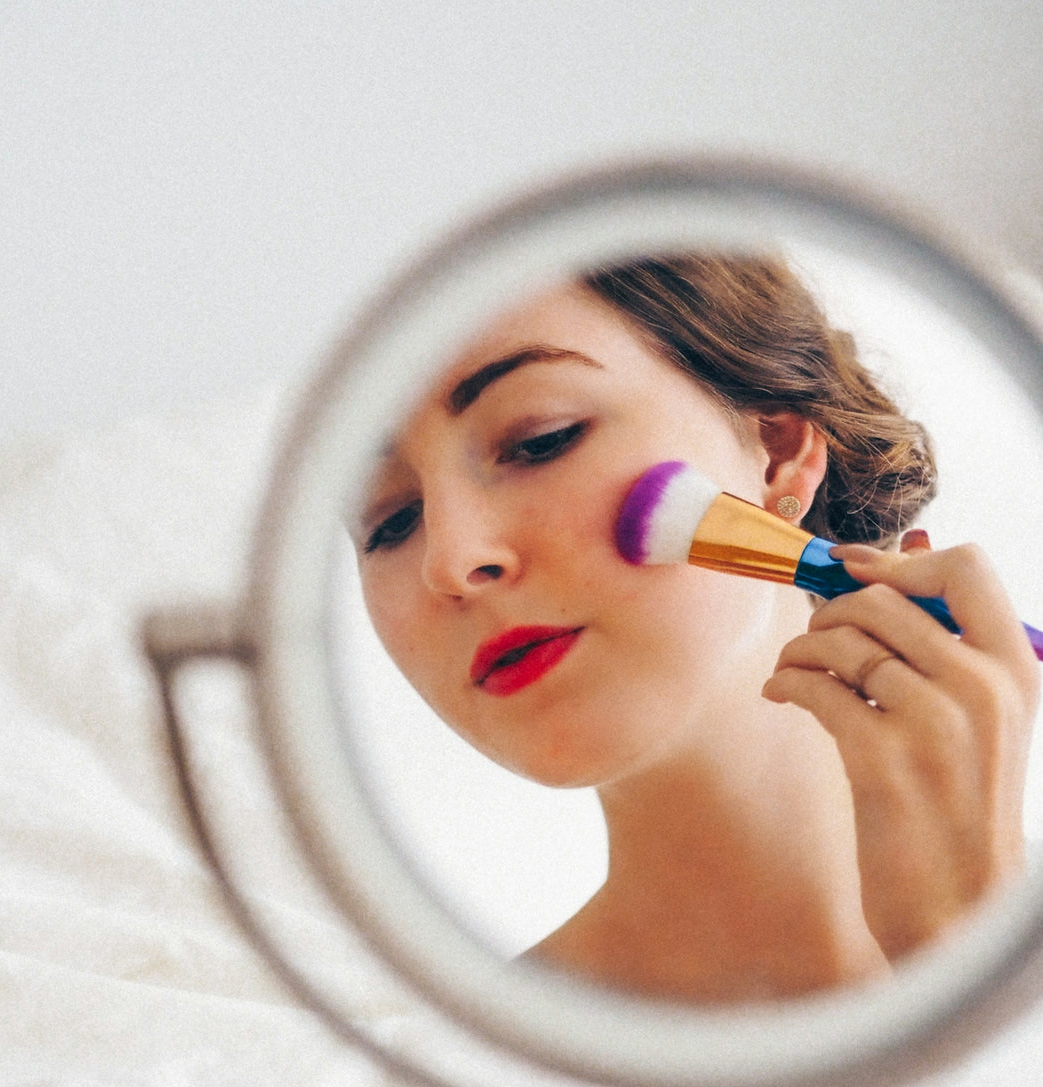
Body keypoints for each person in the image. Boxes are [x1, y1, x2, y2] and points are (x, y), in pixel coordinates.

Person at [352, 255, 1040, 1003]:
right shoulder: (433, 1082)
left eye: (543, 438)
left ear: (777, 451)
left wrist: (973, 962)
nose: (451, 560)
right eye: (389, 522)